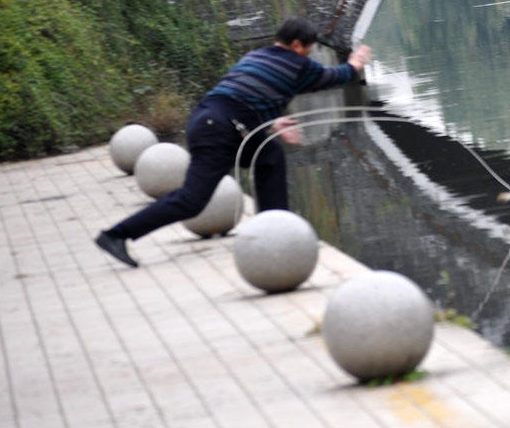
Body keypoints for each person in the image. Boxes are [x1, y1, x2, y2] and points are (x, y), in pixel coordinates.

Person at [95, 17, 371, 268]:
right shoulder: (298, 64)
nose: (309, 54)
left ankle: (273, 230)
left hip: (209, 119)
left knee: (269, 154)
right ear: (297, 45)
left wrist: (272, 122)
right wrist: (355, 64)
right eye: (308, 48)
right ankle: (116, 235)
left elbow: (245, 96)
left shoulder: (257, 56)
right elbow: (334, 77)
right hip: (219, 130)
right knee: (192, 201)